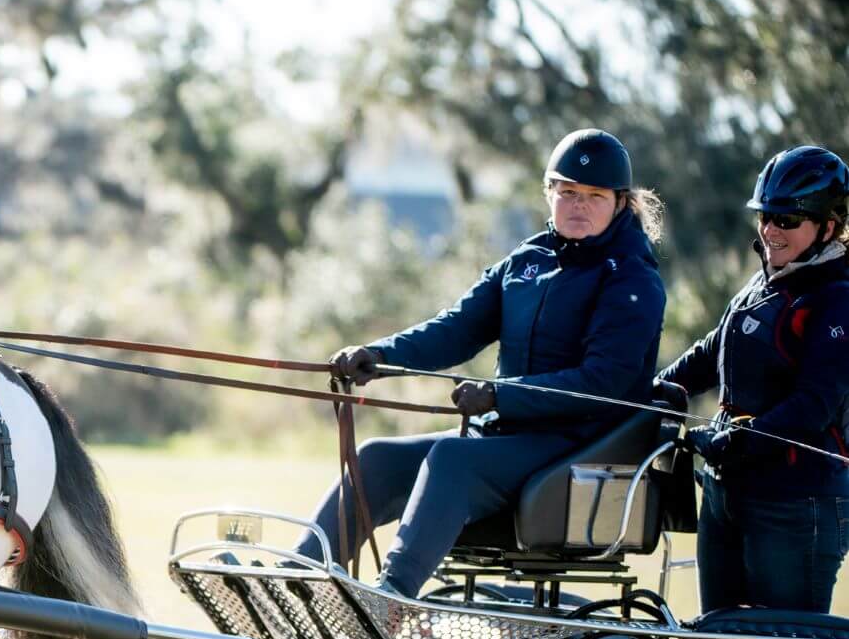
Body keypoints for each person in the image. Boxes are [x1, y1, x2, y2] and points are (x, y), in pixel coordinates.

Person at [296, 128, 667, 596]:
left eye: (594, 196)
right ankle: (300, 580)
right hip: (508, 437)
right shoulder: (527, 260)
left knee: (453, 458)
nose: (578, 205)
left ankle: (392, 598)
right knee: (377, 460)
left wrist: (499, 395)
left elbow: (600, 382)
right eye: (568, 192)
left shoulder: (632, 278)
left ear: (620, 203)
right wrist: (381, 355)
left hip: (576, 444)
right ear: (549, 193)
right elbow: (457, 328)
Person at [658, 145, 849, 614]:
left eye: (787, 220)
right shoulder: (765, 282)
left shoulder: (836, 298)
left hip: (794, 502)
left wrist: (737, 438)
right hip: (727, 492)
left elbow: (814, 405)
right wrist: (657, 391)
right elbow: (711, 352)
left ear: (828, 225)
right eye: (765, 216)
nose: (769, 230)